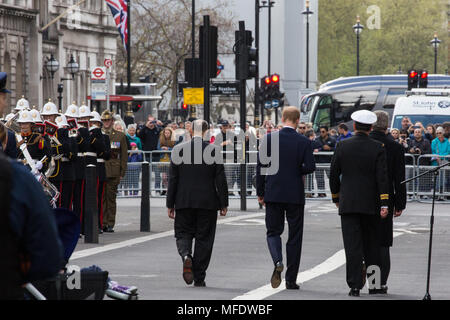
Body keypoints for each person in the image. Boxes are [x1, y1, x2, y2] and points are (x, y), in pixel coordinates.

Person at [0, 71, 63, 300]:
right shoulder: (16, 179)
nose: (24, 126)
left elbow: (50, 155)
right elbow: (47, 256)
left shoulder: (40, 140)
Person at [329, 110, 389, 297]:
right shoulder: (378, 147)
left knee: (352, 247)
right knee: (372, 246)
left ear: (354, 126)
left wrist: (336, 197)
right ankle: (374, 285)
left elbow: (333, 174)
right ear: (371, 127)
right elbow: (382, 178)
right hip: (371, 204)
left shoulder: (342, 145)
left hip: (349, 203)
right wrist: (384, 203)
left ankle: (354, 285)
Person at [256, 106, 316, 290]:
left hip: (273, 191)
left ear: (282, 118)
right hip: (294, 193)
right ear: (298, 121)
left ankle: (277, 261)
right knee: (295, 236)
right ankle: (291, 279)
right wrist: (296, 169)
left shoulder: (268, 139)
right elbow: (310, 166)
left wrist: (261, 192)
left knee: (273, 231)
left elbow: (261, 168)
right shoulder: (304, 141)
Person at [167, 119, 228, 287]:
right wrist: (223, 203)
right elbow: (220, 179)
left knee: (183, 233)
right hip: (207, 201)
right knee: (204, 238)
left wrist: (170, 204)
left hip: (184, 200)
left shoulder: (178, 150)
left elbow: (173, 180)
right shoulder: (214, 151)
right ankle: (199, 276)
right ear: (207, 132)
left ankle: (186, 255)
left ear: (191, 131)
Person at [369, 111, 407, 294]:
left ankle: (372, 282)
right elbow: (399, 179)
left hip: (365, 197)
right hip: (386, 198)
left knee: (369, 242)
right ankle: (381, 283)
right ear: (386, 126)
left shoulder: (365, 143)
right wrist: (400, 203)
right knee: (383, 242)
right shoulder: (395, 147)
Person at [102, 110, 128, 233]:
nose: (106, 123)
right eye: (104, 120)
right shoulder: (99, 134)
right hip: (101, 169)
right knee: (101, 198)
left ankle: (110, 223)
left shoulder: (120, 135)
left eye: (108, 120)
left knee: (111, 198)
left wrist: (122, 172)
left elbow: (123, 156)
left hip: (113, 170)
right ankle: (102, 222)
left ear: (112, 121)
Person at [314, 125, 336, 197]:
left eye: (323, 132)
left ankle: (335, 192)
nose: (321, 133)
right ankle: (321, 193)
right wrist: (320, 149)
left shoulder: (332, 139)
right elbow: (314, 147)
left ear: (327, 131)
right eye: (320, 132)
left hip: (328, 162)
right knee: (319, 178)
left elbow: (336, 149)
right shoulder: (317, 139)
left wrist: (330, 148)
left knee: (332, 178)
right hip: (319, 161)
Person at [158, 127, 175, 196]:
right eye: (165, 133)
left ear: (171, 133)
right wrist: (162, 149)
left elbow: (175, 147)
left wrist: (168, 148)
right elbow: (158, 148)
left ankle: (169, 190)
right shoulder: (160, 139)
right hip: (162, 161)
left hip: (171, 161)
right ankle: (167, 189)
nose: (167, 134)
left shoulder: (173, 139)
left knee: (170, 177)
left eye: (168, 133)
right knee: (164, 177)